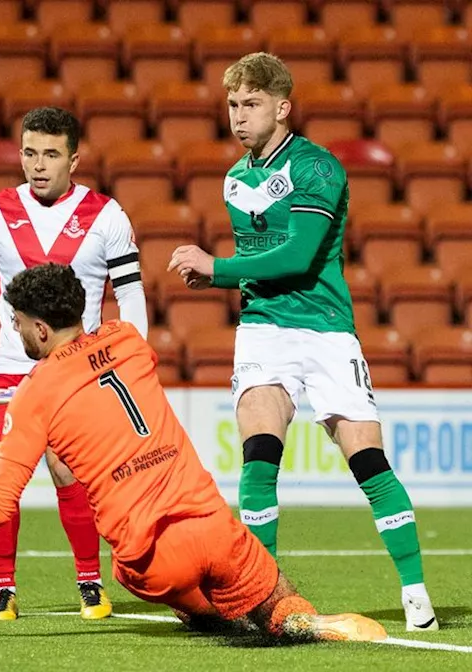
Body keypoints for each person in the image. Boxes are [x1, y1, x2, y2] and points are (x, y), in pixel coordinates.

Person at [0, 263, 387, 644]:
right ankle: (303, 621)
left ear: (40, 329)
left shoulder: (34, 394)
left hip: (152, 558)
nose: (17, 331)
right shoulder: (130, 342)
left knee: (127, 572)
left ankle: (207, 615)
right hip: (213, 525)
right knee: (278, 605)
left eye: (18, 322)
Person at [167, 52, 438, 632]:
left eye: (252, 105)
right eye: (233, 105)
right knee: (259, 455)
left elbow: (297, 256)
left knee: (367, 461)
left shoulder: (318, 167)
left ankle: (416, 598)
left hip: (326, 331)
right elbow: (261, 269)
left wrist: (214, 268)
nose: (239, 117)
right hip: (263, 328)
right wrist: (227, 274)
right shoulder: (236, 179)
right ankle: (256, 600)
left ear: (282, 107)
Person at [0, 106, 148, 621]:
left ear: (75, 158)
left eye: (51, 154)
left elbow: (130, 292)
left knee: (67, 470)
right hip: (12, 363)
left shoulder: (107, 216)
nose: (38, 164)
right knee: (2, 467)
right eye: (30, 152)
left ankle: (89, 582)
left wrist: (135, 354)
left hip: (80, 368)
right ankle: (2, 588)